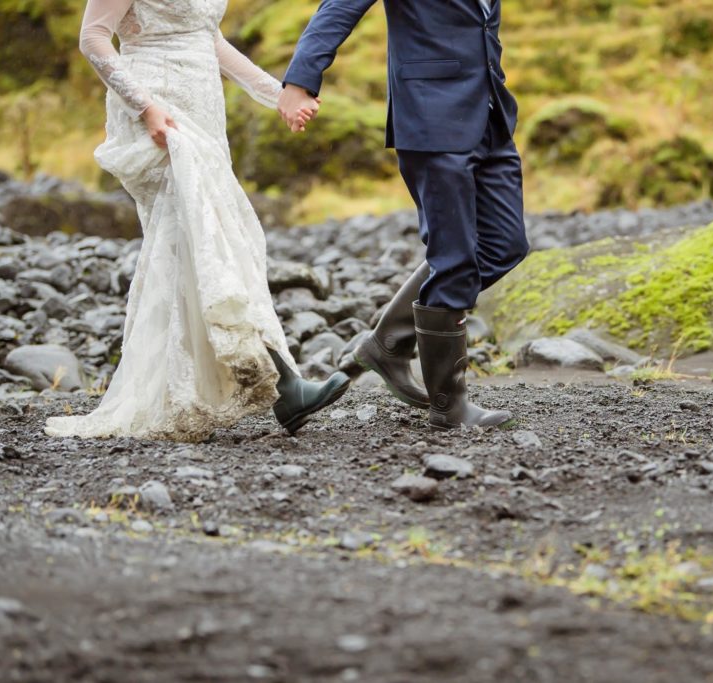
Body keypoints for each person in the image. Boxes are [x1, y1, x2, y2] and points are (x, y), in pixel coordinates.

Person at [45, 0, 350, 442]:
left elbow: (210, 39)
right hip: (160, 112)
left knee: (200, 242)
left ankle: (198, 387)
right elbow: (92, 38)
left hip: (204, 110)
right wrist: (144, 107)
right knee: (210, 235)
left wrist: (276, 93)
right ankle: (284, 386)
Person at [278, 0, 529, 430]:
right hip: (431, 115)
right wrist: (301, 80)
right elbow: (339, 5)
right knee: (453, 256)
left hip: (490, 115)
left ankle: (388, 343)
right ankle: (449, 406)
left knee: (505, 246)